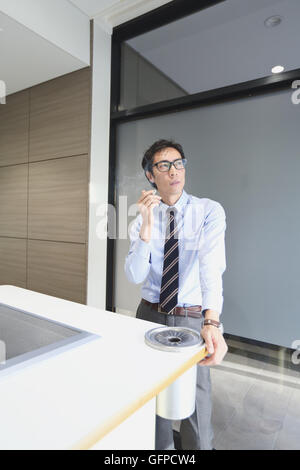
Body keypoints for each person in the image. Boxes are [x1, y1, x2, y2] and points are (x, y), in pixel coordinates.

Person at [124, 139, 228, 450]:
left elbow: (211, 268)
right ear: (149, 175)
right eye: (164, 165)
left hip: (192, 317)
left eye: (179, 163)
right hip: (150, 315)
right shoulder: (141, 218)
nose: (174, 171)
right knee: (154, 394)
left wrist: (213, 322)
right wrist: (144, 225)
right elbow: (134, 275)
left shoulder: (208, 211)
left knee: (196, 397)